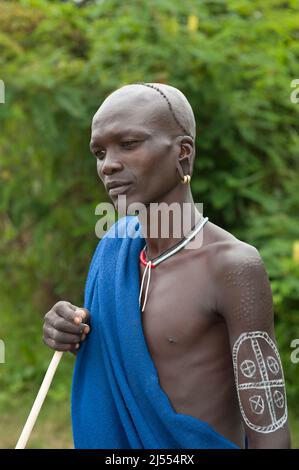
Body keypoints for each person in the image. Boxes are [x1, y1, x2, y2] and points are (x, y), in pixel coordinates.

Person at [43, 83, 291, 449]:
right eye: (99, 151)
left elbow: (270, 427)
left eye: (128, 144)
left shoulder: (232, 266)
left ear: (183, 154)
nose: (108, 164)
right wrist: (71, 329)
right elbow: (121, 358)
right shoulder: (116, 251)